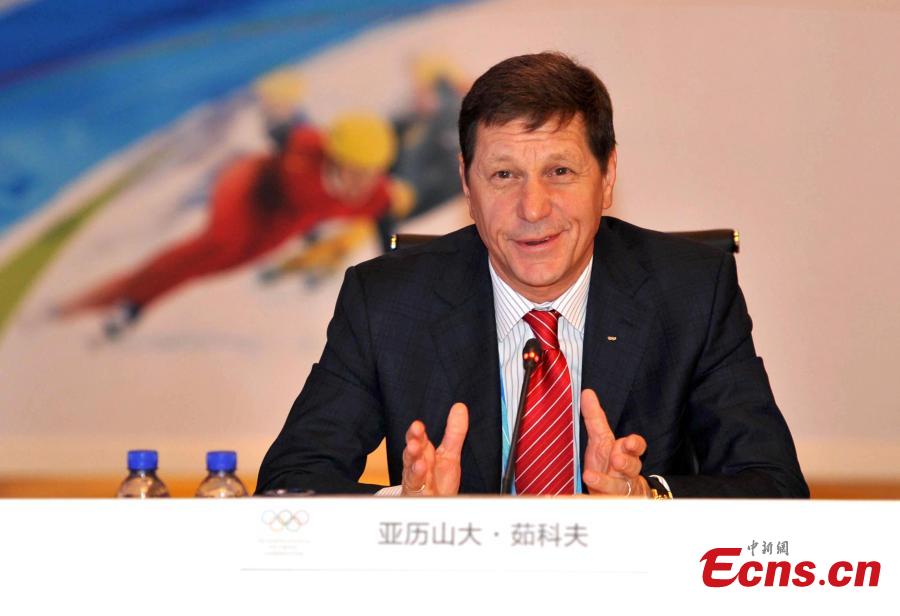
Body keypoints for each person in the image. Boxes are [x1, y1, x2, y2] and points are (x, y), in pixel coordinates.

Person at [257, 52, 809, 498]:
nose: (533, 208)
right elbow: (290, 483)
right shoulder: (386, 302)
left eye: (560, 171)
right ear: (466, 185)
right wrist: (404, 510)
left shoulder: (692, 293)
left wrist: (647, 499)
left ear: (607, 177)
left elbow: (774, 486)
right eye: (504, 175)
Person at [55, 110, 398, 338]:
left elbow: (386, 224)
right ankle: (131, 302)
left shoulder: (375, 193)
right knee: (214, 246)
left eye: (371, 172)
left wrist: (394, 274)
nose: (362, 182)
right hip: (248, 190)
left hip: (281, 223)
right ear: (333, 157)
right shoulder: (303, 156)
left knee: (213, 266)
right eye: (354, 170)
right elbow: (287, 133)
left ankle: (116, 294)